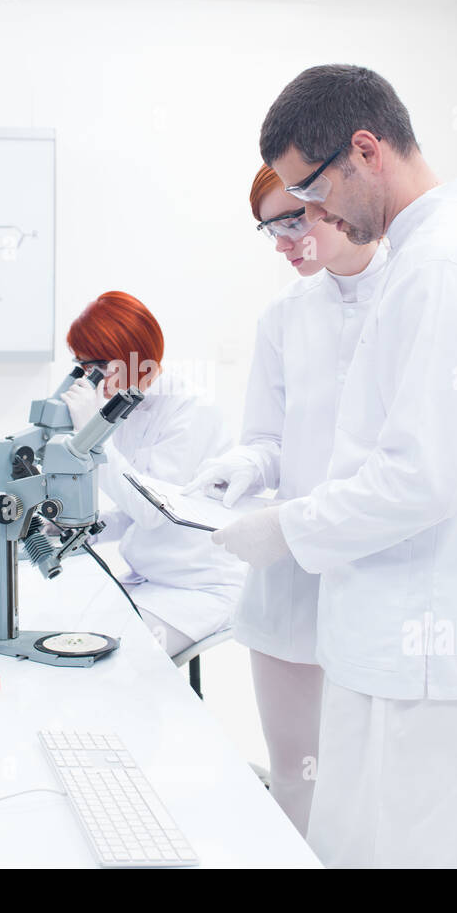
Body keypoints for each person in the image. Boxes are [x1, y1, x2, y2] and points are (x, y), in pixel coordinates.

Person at [212, 64, 457, 868]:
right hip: (389, 634)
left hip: (413, 641)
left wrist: (285, 527)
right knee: (446, 841)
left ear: (366, 149)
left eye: (313, 196)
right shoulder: (428, 256)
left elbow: (422, 476)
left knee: (382, 848)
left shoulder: (444, 267)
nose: (313, 219)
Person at [182, 164, 385, 837]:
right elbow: (270, 437)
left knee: (378, 782)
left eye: (292, 220)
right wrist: (239, 466)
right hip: (289, 576)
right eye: (268, 228)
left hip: (377, 573)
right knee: (296, 772)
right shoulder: (283, 317)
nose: (282, 241)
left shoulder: (408, 299)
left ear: (330, 197)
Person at [60, 291, 246, 658]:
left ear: (125, 358)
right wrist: (74, 531)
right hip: (148, 578)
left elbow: (150, 510)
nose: (87, 377)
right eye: (78, 365)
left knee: (108, 658)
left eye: (90, 366)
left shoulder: (192, 410)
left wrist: (92, 437)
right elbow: (130, 510)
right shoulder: (128, 404)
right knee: (68, 629)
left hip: (195, 588)